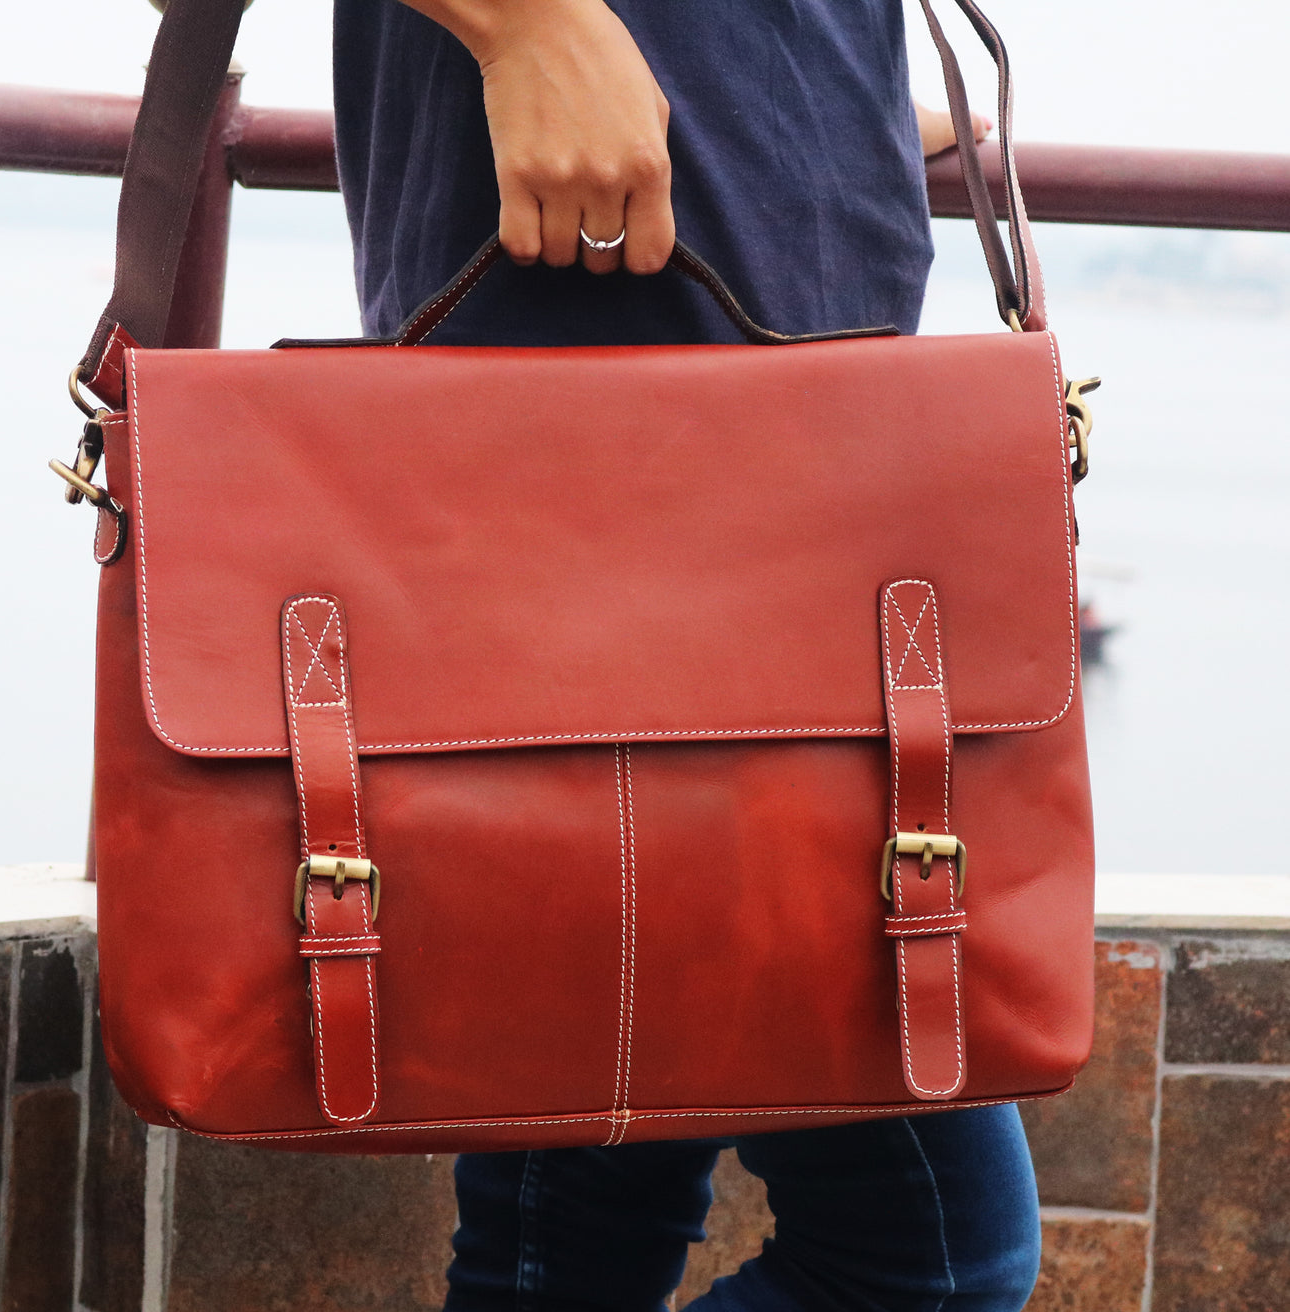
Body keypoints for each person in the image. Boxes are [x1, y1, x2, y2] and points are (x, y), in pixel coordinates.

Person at [331, 1, 1039, 1308]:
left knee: (571, 1247)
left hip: (757, 404)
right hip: (597, 347)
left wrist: (822, 93)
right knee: (929, 1263)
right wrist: (526, 24)